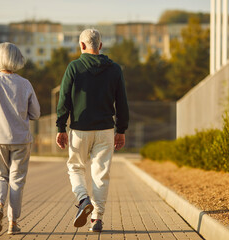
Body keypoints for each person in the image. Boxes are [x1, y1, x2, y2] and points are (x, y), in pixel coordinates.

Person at [56, 29, 129, 232]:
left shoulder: (74, 67)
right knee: (101, 174)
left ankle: (82, 198)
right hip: (105, 129)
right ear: (100, 46)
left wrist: (61, 127)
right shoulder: (115, 69)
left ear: (81, 46)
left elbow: (64, 100)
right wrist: (121, 129)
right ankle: (97, 218)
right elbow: (122, 101)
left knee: (76, 168)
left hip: (79, 130)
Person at [0, 42, 40, 235]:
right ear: (17, 59)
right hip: (21, 139)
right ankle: (13, 223)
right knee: (17, 180)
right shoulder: (25, 84)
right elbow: (36, 113)